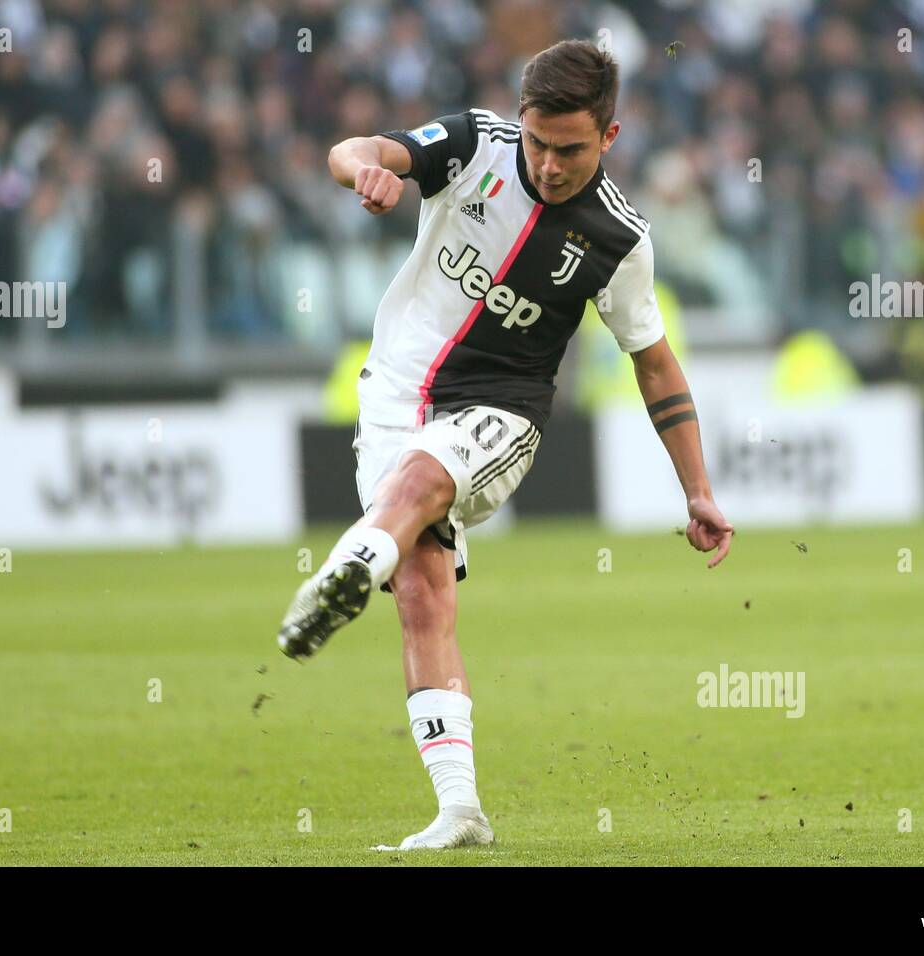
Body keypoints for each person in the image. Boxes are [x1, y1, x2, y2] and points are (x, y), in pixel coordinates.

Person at [277, 39, 734, 851]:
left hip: (501, 414)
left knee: (419, 484)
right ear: (518, 124)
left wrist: (697, 487)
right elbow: (354, 149)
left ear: (611, 138)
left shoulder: (618, 239)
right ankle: (460, 809)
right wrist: (366, 174)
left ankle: (348, 564)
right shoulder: (472, 145)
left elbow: (656, 365)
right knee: (421, 591)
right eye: (538, 144)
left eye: (571, 149)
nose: (550, 166)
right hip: (392, 392)